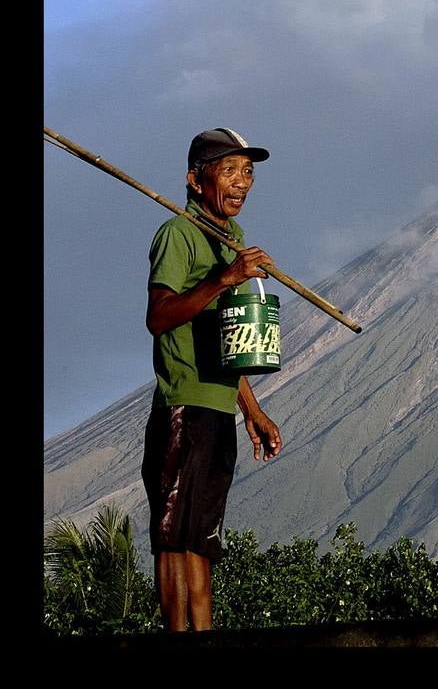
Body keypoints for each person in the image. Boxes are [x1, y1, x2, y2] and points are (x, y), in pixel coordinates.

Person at [141, 127, 283, 630]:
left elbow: (226, 342)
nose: (242, 181)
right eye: (229, 170)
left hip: (220, 410)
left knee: (201, 541)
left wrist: (254, 410)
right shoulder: (177, 234)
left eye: (248, 171)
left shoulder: (232, 242)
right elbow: (159, 317)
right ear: (196, 181)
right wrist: (224, 279)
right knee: (174, 538)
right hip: (183, 407)